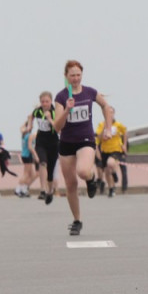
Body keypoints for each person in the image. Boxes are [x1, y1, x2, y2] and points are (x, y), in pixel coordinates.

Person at [52, 60, 112, 236]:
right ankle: (77, 220)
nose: (76, 78)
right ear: (66, 77)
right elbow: (57, 127)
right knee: (71, 185)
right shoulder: (61, 97)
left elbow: (105, 106)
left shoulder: (90, 92)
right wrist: (67, 110)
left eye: (78, 75)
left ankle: (92, 178)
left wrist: (108, 127)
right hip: (66, 143)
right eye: (72, 75)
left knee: (83, 171)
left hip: (86, 139)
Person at [28, 92, 59, 204]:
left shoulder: (55, 112)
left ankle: (50, 191)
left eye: (47, 101)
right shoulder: (38, 111)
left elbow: (58, 129)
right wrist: (29, 125)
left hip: (53, 142)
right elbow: (31, 116)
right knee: (42, 163)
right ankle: (42, 190)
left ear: (51, 101)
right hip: (41, 141)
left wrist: (50, 119)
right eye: (42, 101)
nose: (44, 104)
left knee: (50, 172)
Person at [94, 107, 127, 198]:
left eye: (111, 113)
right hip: (105, 150)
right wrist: (104, 128)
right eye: (108, 113)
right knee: (107, 172)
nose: (110, 114)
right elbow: (98, 138)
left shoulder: (118, 125)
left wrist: (124, 144)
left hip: (115, 149)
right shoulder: (101, 125)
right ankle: (111, 188)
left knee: (110, 163)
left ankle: (114, 173)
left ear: (114, 114)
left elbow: (125, 132)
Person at [14, 117, 35, 198]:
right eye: (31, 125)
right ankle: (18, 189)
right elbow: (30, 147)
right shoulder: (29, 135)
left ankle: (24, 189)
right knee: (26, 174)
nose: (32, 126)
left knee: (32, 174)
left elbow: (21, 127)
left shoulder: (23, 133)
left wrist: (29, 120)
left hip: (24, 155)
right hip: (28, 155)